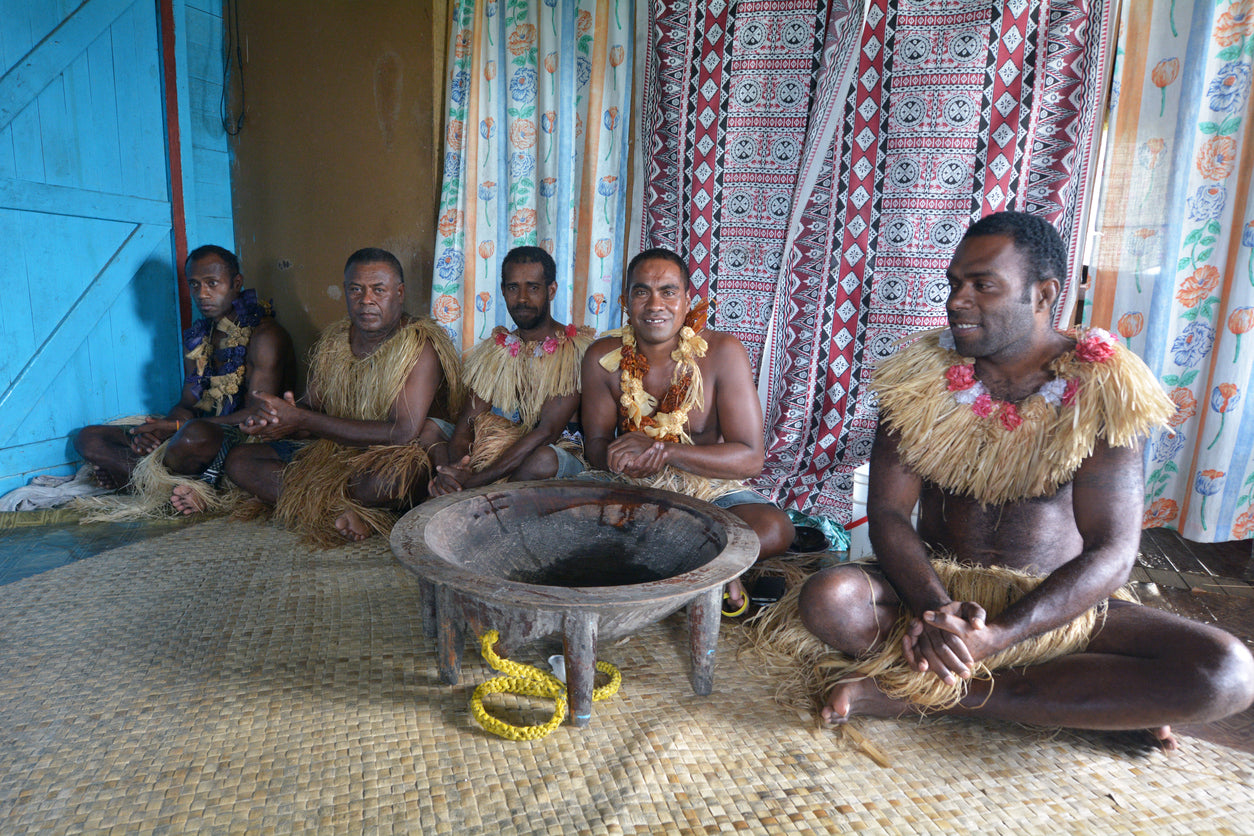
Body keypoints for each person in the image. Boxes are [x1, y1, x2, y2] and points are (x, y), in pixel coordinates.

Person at [791, 211, 1254, 749]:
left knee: (1228, 673)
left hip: (1055, 613)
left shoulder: (1103, 390)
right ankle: (1077, 701)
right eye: (954, 284)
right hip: (934, 596)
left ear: (1042, 294)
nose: (956, 300)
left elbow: (1114, 550)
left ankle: (916, 695)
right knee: (831, 599)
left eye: (982, 285)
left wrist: (1001, 635)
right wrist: (936, 611)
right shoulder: (918, 381)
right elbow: (890, 514)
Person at [580, 248, 794, 611]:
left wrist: (667, 453)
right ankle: (710, 563)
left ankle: (681, 557)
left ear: (686, 300)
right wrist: (618, 459)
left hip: (708, 489)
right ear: (625, 301)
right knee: (566, 516)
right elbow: (595, 447)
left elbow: (750, 458)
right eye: (641, 291)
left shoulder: (722, 351)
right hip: (633, 488)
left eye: (668, 291)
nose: (655, 304)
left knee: (775, 528)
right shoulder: (603, 357)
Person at [224, 247, 462, 546]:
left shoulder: (418, 345)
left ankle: (334, 507)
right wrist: (279, 420)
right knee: (239, 461)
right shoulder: (335, 340)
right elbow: (311, 408)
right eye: (355, 290)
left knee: (394, 480)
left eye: (379, 290)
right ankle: (347, 511)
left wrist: (302, 418)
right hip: (332, 454)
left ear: (399, 293)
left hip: (390, 458)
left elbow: (403, 432)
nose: (366, 300)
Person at [74, 244, 295, 517]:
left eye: (212, 283)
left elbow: (255, 414)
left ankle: (134, 478)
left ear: (236, 283)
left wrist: (178, 427)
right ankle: (169, 488)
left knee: (193, 437)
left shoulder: (266, 336)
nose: (202, 294)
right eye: (194, 285)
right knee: (89, 438)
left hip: (239, 440)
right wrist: (157, 432)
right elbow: (187, 402)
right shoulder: (199, 336)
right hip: (190, 432)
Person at [429, 246, 595, 495]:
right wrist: (458, 467)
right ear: (503, 291)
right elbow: (466, 425)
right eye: (513, 287)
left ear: (551, 290)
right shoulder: (497, 350)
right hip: (499, 452)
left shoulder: (573, 350)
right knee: (430, 428)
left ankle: (485, 498)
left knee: (541, 460)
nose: (522, 298)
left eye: (533, 287)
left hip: (558, 454)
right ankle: (449, 485)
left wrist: (474, 481)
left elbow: (545, 433)